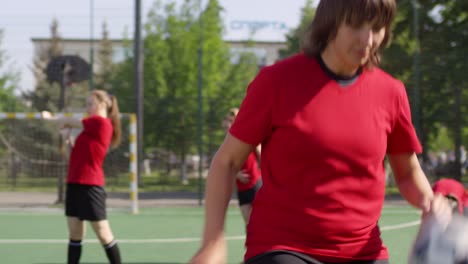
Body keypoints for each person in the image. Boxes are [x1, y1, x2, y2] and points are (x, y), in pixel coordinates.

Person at [190, 1, 451, 264]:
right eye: (356, 25)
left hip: (364, 252)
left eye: (377, 27)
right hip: (284, 248)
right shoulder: (276, 82)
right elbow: (227, 162)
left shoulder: (391, 92)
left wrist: (430, 201)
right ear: (331, 23)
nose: (368, 39)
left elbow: (406, 173)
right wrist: (213, 241)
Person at [42, 89, 122, 264]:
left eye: (90, 103)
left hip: (91, 186)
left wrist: (52, 118)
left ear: (102, 104)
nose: (87, 107)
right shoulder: (88, 129)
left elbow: (70, 120)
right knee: (75, 234)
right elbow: (73, 157)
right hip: (74, 182)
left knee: (103, 233)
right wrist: (66, 140)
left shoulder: (102, 123)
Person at [222, 107, 262, 225]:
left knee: (257, 222)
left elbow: (261, 155)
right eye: (227, 121)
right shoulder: (227, 144)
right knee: (248, 223)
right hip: (242, 188)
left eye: (231, 120)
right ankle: (251, 243)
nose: (228, 124)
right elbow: (226, 166)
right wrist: (236, 175)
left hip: (255, 184)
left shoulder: (248, 136)